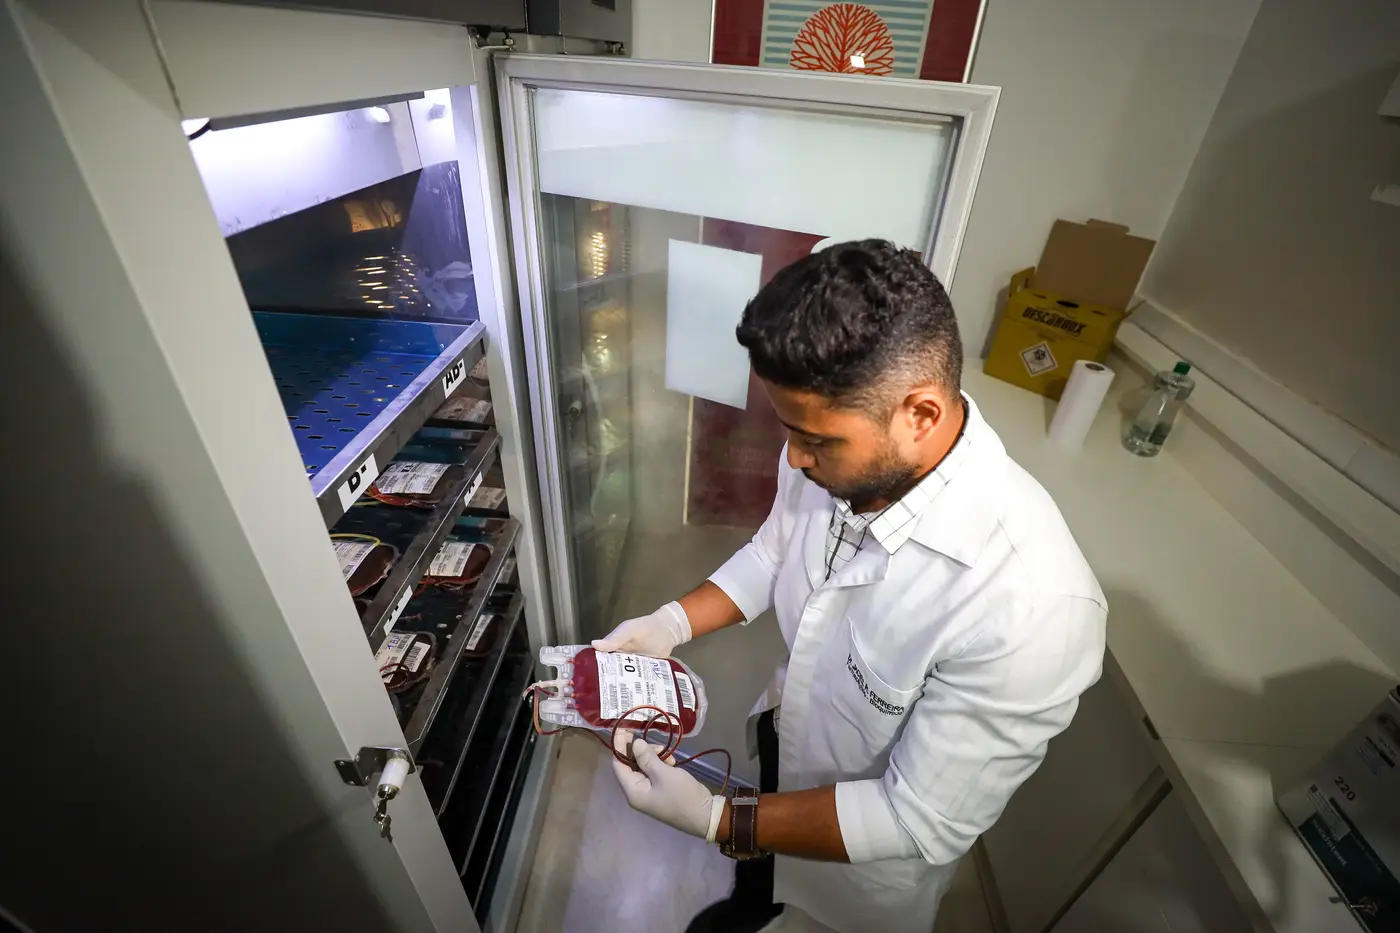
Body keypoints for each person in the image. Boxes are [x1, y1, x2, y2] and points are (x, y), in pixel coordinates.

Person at [596, 240, 1107, 933]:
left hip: (863, 868)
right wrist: (670, 623)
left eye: (817, 441)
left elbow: (913, 814)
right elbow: (774, 552)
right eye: (790, 431)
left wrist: (720, 818)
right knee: (754, 894)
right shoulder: (830, 456)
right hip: (787, 738)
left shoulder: (1033, 608)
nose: (794, 457)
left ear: (920, 415)